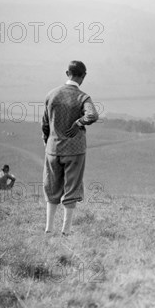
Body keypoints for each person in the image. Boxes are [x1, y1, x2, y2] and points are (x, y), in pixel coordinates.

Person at [42, 60, 98, 235]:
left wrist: (48, 142)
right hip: (75, 150)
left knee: (51, 186)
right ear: (83, 76)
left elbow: (45, 125)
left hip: (53, 148)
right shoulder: (83, 97)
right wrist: (79, 122)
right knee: (72, 187)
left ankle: (49, 228)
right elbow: (93, 115)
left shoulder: (51, 95)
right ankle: (66, 230)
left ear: (67, 73)